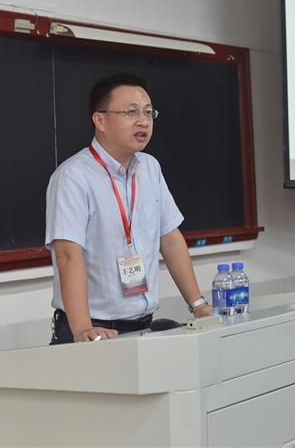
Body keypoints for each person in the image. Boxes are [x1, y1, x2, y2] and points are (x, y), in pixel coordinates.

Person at [46, 73, 213, 344]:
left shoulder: (150, 168)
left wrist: (198, 305)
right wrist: (82, 328)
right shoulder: (74, 176)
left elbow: (170, 239)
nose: (143, 121)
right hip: (95, 332)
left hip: (143, 327)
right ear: (100, 120)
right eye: (130, 112)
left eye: (148, 112)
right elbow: (67, 255)